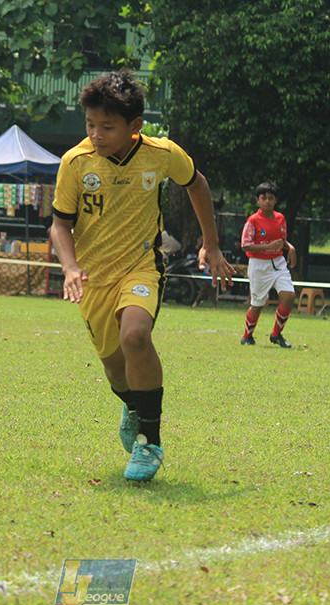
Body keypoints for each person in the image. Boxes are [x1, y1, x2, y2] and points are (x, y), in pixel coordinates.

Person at [50, 69, 235, 482]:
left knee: (135, 336)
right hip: (93, 279)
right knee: (116, 369)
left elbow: (197, 184)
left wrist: (212, 243)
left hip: (141, 266)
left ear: (136, 126)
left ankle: (149, 442)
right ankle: (134, 406)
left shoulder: (161, 153)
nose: (96, 134)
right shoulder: (76, 163)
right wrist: (70, 266)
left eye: (107, 126)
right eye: (90, 124)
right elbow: (60, 225)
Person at [239, 181, 296, 348]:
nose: (267, 201)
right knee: (258, 304)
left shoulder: (280, 218)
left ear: (276, 200)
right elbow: (245, 245)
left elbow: (281, 241)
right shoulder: (253, 220)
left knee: (289, 296)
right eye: (264, 198)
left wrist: (290, 247)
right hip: (259, 265)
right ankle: (247, 336)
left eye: (271, 198)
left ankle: (276, 334)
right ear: (258, 200)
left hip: (278, 263)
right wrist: (267, 247)